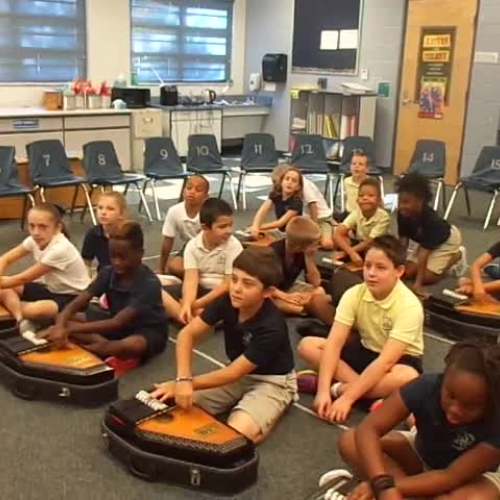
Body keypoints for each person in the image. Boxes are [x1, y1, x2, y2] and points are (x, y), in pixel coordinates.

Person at [150, 247, 297, 444]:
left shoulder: (273, 326)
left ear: (268, 292)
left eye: (247, 283)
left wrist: (184, 384)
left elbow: (233, 373)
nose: (236, 288)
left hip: (272, 381)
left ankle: (283, 400)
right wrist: (182, 379)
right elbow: (187, 334)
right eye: (234, 279)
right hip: (238, 373)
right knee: (176, 402)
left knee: (236, 436)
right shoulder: (228, 300)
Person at [336, 341, 500, 500]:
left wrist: (383, 486)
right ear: (443, 379)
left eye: (469, 406)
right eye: (451, 396)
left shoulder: (496, 423)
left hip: (470, 478)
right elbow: (369, 428)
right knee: (351, 439)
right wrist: (382, 483)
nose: (455, 409)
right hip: (422, 454)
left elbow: (450, 477)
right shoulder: (427, 386)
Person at [297, 235, 424, 423]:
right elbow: (334, 343)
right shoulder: (354, 294)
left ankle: (340, 387)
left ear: (399, 271)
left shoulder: (409, 306)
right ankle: (373, 397)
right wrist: (322, 393)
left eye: (381, 268)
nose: (371, 273)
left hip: (398, 361)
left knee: (407, 377)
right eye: (367, 265)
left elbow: (386, 362)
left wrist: (344, 397)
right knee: (308, 345)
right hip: (366, 350)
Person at [44, 221, 168, 367]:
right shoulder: (108, 272)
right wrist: (61, 325)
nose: (116, 262)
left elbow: (116, 323)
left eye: (123, 257)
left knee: (126, 346)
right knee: (60, 315)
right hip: (114, 323)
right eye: (112, 256)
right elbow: (77, 302)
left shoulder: (149, 283)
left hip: (145, 331)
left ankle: (86, 350)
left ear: (140, 254)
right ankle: (103, 347)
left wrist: (68, 329)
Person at [0, 203, 89, 330]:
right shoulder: (34, 239)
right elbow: (5, 259)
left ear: (57, 228)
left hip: (73, 297)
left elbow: (23, 278)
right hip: (50, 289)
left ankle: (21, 312)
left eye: (43, 227)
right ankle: (20, 319)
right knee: (4, 287)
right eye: (32, 226)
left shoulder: (60, 249)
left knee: (37, 310)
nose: (36, 232)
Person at [165, 198, 243, 324]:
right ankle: (191, 315)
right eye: (222, 227)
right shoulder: (192, 245)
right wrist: (187, 303)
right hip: (200, 290)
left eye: (230, 225)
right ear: (205, 228)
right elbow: (191, 279)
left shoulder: (234, 246)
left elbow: (227, 284)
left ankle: (191, 315)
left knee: (234, 300)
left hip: (222, 292)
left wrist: (196, 303)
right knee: (156, 292)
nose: (229, 231)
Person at [396, 172, 466, 296]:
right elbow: (403, 244)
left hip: (447, 240)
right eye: (400, 201)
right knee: (407, 272)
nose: (402, 206)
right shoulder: (403, 214)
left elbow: (424, 254)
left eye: (406, 202)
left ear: (420, 201)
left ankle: (457, 256)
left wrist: (418, 285)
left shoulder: (432, 221)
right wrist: (395, 269)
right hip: (426, 242)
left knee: (427, 278)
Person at [270, 216, 335, 325]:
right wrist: (285, 296)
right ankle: (305, 309)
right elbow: (264, 286)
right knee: (267, 302)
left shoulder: (303, 253)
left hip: (290, 287)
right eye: (314, 244)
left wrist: (309, 258)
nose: (317, 247)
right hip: (273, 291)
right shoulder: (272, 253)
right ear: (299, 247)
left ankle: (306, 308)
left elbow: (315, 282)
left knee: (320, 290)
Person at [271, 164, 335, 249]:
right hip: (306, 218)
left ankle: (334, 229)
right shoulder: (292, 186)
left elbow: (313, 206)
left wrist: (314, 229)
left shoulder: (305, 186)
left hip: (322, 218)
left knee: (327, 244)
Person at [159, 174, 209, 278]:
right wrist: (161, 268)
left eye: (198, 190)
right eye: (189, 188)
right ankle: (199, 275)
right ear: (183, 191)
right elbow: (167, 241)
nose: (192, 192)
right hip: (189, 247)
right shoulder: (174, 211)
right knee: (174, 267)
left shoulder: (209, 212)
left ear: (205, 197)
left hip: (209, 246)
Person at [333, 177, 390, 266]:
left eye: (370, 196)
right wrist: (351, 252)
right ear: (357, 200)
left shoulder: (384, 217)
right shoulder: (356, 213)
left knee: (371, 251)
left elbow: (370, 241)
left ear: (379, 201)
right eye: (361, 195)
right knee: (342, 240)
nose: (365, 198)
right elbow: (338, 233)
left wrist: (347, 253)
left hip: (377, 246)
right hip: (360, 244)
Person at [81, 191, 127, 277]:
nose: (103, 212)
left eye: (110, 209)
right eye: (100, 208)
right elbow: (86, 263)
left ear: (121, 214)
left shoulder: (129, 234)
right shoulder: (93, 234)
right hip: (104, 278)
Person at [248, 165, 303, 237]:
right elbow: (263, 210)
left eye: (294, 181)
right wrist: (255, 225)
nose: (289, 182)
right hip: (280, 231)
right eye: (287, 179)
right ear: (281, 181)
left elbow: (281, 223)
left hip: (293, 234)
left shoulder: (297, 202)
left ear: (298, 187)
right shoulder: (275, 194)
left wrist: (258, 227)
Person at [335, 149, 370, 222]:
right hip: (349, 213)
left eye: (361, 164)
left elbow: (379, 203)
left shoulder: (370, 183)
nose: (356, 166)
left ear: (367, 169)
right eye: (353, 164)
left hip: (363, 215)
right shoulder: (346, 181)